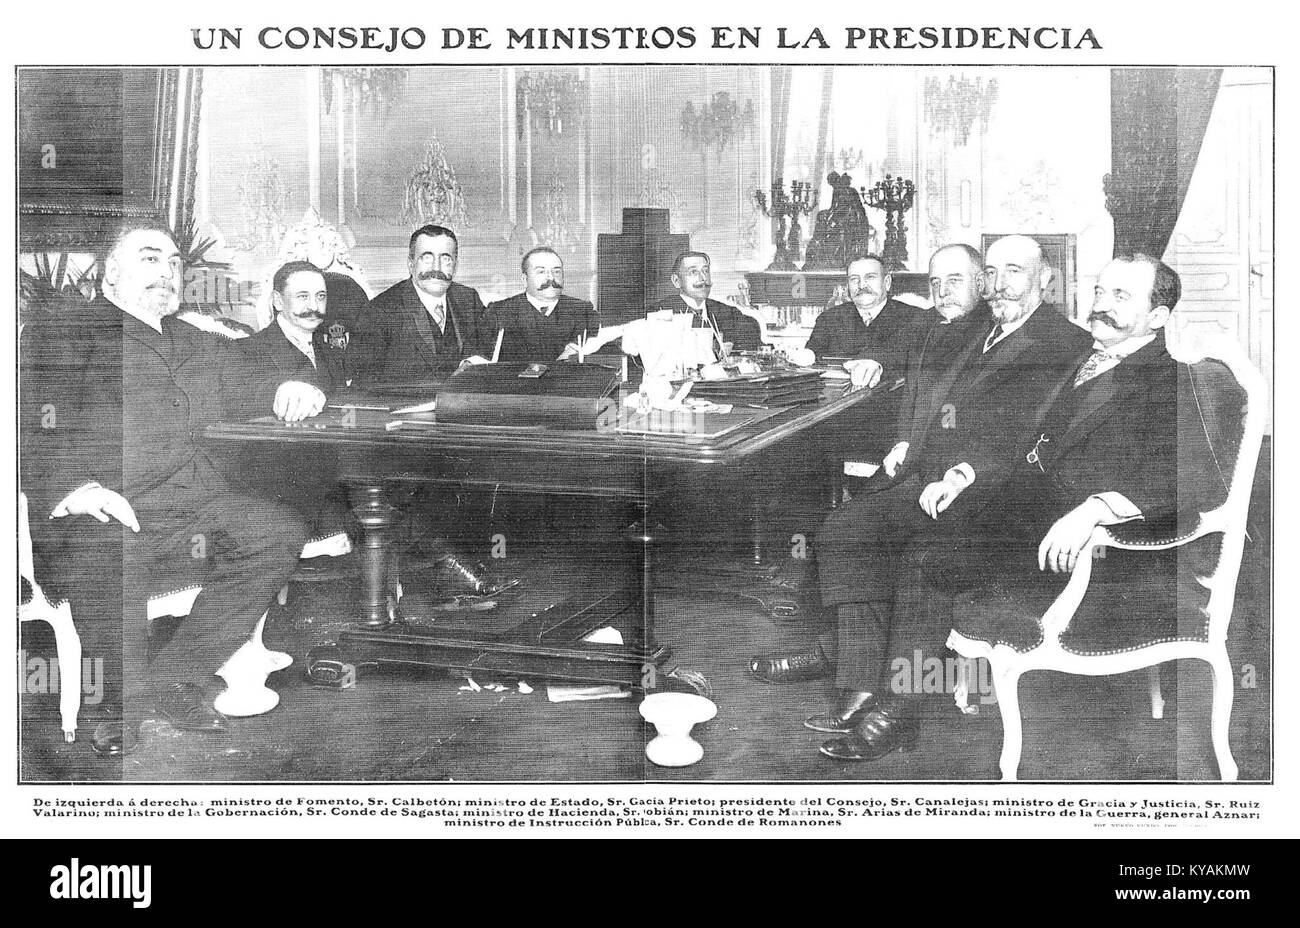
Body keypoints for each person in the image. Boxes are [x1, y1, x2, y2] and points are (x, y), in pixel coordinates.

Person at [819, 254, 1224, 761]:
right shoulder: (1084, 358)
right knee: (908, 530)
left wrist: (1096, 509)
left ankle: (899, 710)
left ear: (1159, 317)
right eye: (1100, 292)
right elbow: (1025, 440)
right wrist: (965, 474)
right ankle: (873, 678)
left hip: (1102, 559)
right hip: (1028, 519)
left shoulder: (1171, 379)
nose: (1101, 305)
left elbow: (1200, 481)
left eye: (1121, 297)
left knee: (928, 558)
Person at [749, 235, 1092, 751]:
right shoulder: (986, 327)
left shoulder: (1061, 341)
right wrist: (907, 434)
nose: (999, 285)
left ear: (1046, 280)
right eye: (994, 273)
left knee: (918, 554)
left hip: (1002, 496)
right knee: (845, 529)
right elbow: (917, 350)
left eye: (1013, 272)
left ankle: (900, 702)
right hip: (938, 478)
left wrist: (961, 473)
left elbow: (1028, 431)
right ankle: (857, 674)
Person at [19, 223, 324, 752]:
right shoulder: (65, 329)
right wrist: (77, 488)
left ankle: (172, 678)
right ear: (110, 272)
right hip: (101, 512)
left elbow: (255, 374)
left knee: (276, 530)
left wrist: (291, 384)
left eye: (175, 262)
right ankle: (118, 702)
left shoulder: (193, 338)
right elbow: (30, 422)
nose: (167, 271)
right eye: (149, 258)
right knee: (108, 545)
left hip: (192, 510)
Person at [232, 261, 351, 541]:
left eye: (320, 296)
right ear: (277, 301)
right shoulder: (247, 352)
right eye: (302, 296)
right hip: (283, 490)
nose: (314, 306)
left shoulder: (330, 352)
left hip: (336, 477)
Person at [349, 224, 491, 384]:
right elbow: (364, 382)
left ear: (455, 265)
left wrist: (471, 363)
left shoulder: (468, 299)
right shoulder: (379, 310)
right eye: (426, 258)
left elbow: (488, 349)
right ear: (411, 264)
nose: (436, 268)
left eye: (445, 259)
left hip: (460, 406)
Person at [486, 246, 598, 363]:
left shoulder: (583, 311)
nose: (550, 277)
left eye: (556, 271)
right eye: (541, 271)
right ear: (525, 280)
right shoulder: (499, 313)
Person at [648, 251, 763, 353]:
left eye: (706, 271)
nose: (703, 278)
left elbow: (753, 344)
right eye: (693, 272)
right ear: (676, 281)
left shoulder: (729, 313)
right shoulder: (660, 312)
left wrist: (730, 345)